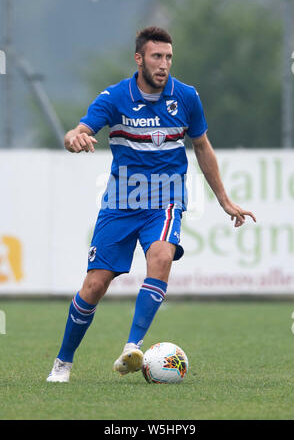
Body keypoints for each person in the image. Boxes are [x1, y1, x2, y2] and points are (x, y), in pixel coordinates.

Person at [47, 26, 256, 382]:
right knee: (94, 285)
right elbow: (77, 131)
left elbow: (202, 147)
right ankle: (62, 363)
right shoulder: (114, 98)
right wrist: (74, 139)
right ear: (139, 59)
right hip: (121, 201)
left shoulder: (187, 97)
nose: (164, 65)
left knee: (161, 256)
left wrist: (224, 200)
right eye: (157, 57)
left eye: (169, 57)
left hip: (166, 199)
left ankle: (132, 347)